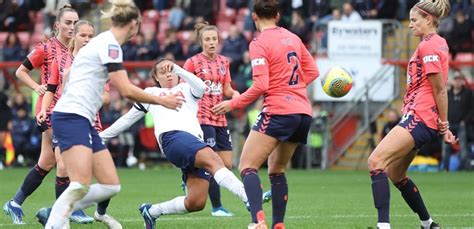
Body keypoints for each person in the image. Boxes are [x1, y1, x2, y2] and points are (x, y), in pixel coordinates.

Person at [35, 1, 184, 228]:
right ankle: (56, 220)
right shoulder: (109, 45)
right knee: (80, 183)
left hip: (81, 119)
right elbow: (125, 90)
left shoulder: (104, 43)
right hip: (70, 116)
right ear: (133, 24)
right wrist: (161, 100)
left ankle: (56, 212)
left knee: (111, 185)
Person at [99, 59, 248, 229]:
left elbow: (201, 87)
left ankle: (152, 211)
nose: (169, 74)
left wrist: (179, 69)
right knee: (213, 159)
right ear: (155, 76)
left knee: (196, 202)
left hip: (194, 143)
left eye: (171, 70)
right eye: (163, 71)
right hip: (172, 139)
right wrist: (101, 137)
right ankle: (248, 197)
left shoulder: (186, 88)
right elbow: (126, 120)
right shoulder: (150, 93)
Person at [212, 0, 320, 228]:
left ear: (254, 17)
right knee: (276, 169)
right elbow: (313, 71)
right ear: (278, 16)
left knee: (247, 166)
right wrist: (293, 88)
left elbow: (261, 85)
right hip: (302, 113)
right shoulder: (293, 37)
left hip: (279, 111)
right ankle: (278, 225)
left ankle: (257, 222)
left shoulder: (259, 43)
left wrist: (234, 104)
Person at [366, 1, 457, 228]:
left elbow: (439, 89)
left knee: (376, 161)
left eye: (414, 20)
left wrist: (444, 124)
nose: (410, 25)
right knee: (396, 174)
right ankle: (428, 224)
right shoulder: (439, 43)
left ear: (428, 20)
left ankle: (383, 225)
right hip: (423, 118)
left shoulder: (428, 46)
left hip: (420, 117)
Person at [3, 4, 95, 225]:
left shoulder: (81, 49)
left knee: (46, 162)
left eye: (75, 22)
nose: (72, 27)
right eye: (68, 23)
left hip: (70, 110)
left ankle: (15, 203)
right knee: (65, 161)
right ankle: (64, 213)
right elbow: (20, 71)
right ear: (57, 25)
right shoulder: (46, 48)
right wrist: (37, 88)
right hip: (50, 111)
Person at [35, 20, 122, 228]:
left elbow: (107, 97)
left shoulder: (97, 60)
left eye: (91, 36)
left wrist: (90, 91)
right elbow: (51, 89)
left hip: (92, 120)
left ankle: (97, 212)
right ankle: (62, 217)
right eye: (83, 35)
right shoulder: (61, 61)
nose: (87, 40)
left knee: (104, 174)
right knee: (63, 166)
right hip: (67, 118)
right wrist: (43, 109)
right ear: (74, 36)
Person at [183, 21, 241, 217]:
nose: (211, 42)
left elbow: (226, 89)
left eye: (214, 39)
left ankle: (188, 170)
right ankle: (217, 207)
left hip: (220, 118)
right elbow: (183, 89)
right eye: (207, 39)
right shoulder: (192, 63)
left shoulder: (224, 62)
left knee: (227, 163)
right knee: (213, 162)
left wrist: (234, 94)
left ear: (219, 41)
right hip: (202, 118)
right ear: (201, 42)